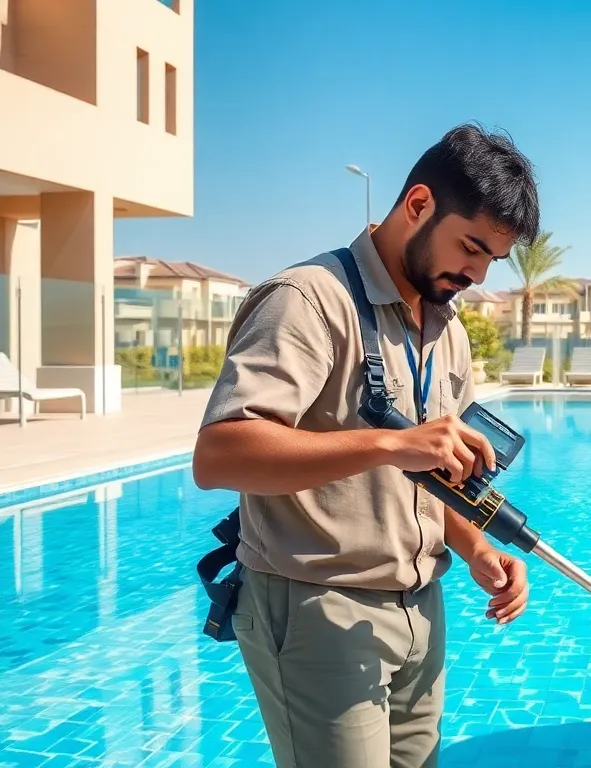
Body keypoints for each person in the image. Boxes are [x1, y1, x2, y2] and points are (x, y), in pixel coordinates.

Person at [192, 123, 541, 768]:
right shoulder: (306, 301)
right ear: (417, 205)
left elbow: (435, 477)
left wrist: (477, 549)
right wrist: (388, 443)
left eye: (491, 259)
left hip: (420, 610)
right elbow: (219, 456)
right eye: (471, 247)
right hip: (318, 608)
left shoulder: (447, 328)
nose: (477, 272)